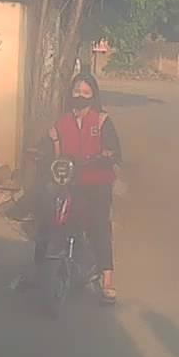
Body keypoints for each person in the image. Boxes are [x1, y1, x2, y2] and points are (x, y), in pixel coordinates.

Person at [33, 73, 122, 304]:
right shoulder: (62, 123)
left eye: (85, 92)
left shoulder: (102, 121)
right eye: (76, 92)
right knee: (48, 217)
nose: (80, 96)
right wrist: (44, 149)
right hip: (69, 182)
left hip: (97, 182)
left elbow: (114, 150)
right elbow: (50, 150)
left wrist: (106, 155)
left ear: (93, 95)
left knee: (99, 226)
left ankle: (107, 279)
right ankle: (39, 269)